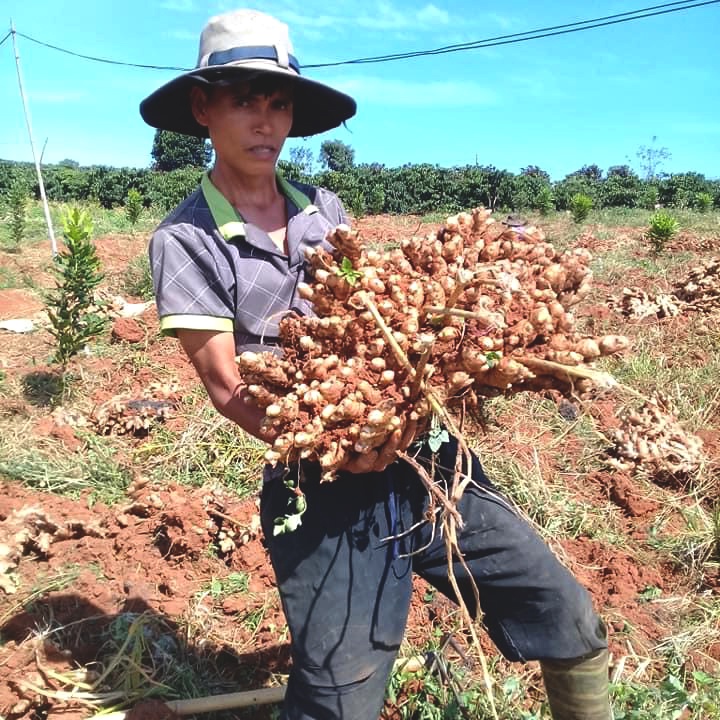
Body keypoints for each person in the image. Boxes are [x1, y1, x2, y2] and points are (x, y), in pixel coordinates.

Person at [140, 9, 613, 720]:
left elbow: (376, 315)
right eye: (244, 100)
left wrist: (444, 366)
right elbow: (227, 386)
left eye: (278, 102)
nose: (265, 121)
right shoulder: (186, 239)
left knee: (567, 614)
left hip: (428, 461)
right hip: (323, 483)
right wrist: (341, 439)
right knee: (339, 699)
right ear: (203, 107)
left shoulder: (321, 207)